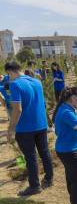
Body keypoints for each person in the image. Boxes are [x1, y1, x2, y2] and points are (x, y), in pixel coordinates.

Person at [6, 61, 53, 196]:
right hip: (41, 124)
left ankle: (34, 186)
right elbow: (42, 103)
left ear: (11, 71)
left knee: (30, 157)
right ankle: (49, 178)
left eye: (8, 74)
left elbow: (18, 109)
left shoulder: (15, 84)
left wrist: (11, 129)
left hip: (25, 128)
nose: (9, 78)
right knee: (44, 152)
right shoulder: (36, 82)